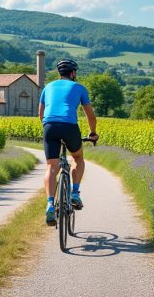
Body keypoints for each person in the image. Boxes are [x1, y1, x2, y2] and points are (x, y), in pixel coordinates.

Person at [39, 59, 98, 225]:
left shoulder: (48, 87)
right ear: (73, 73)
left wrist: (49, 130)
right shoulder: (79, 88)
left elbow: (40, 115)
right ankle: (74, 193)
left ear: (59, 73)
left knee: (51, 166)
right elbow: (90, 116)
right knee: (78, 158)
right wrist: (92, 133)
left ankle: (50, 204)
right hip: (70, 125)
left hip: (49, 125)